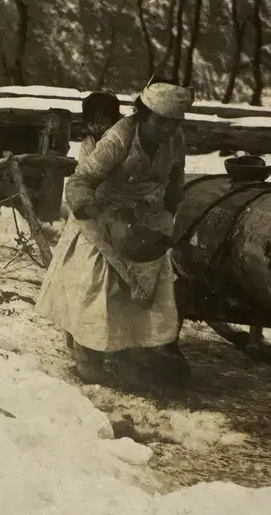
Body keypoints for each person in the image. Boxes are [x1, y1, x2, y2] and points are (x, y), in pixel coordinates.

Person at [35, 80, 195, 386]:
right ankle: (86, 353)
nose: (167, 129)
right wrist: (98, 214)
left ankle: (126, 351)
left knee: (142, 289)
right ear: (143, 113)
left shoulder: (175, 140)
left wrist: (171, 210)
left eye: (174, 123)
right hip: (103, 212)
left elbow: (175, 177)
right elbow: (80, 181)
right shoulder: (120, 137)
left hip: (145, 218)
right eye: (161, 121)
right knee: (97, 287)